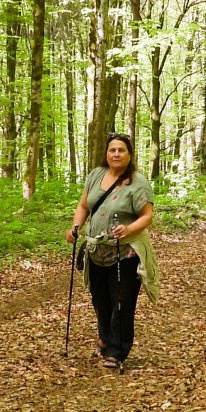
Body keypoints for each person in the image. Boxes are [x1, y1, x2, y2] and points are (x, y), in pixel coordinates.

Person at [66, 133, 159, 369]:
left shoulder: (138, 182)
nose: (116, 154)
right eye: (112, 150)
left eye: (121, 150)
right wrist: (75, 227)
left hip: (125, 252)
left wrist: (128, 229)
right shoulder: (96, 175)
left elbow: (147, 216)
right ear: (106, 153)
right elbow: (83, 205)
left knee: (122, 301)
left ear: (129, 154)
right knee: (101, 299)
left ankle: (118, 351)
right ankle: (105, 339)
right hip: (97, 250)